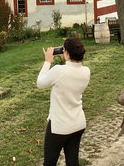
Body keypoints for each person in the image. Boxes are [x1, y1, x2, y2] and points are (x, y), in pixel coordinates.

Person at [37, 37, 91, 166]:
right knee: (73, 161)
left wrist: (47, 61)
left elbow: (40, 83)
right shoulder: (86, 71)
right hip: (77, 123)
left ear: (65, 52)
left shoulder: (58, 70)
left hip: (59, 126)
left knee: (49, 162)